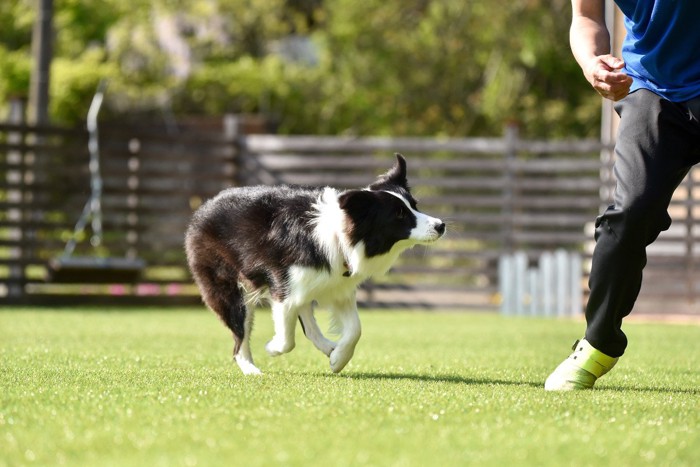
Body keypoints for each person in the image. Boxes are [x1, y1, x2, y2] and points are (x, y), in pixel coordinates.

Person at [545, 0, 700, 390]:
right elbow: (587, 17)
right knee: (632, 211)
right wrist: (591, 61)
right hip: (651, 90)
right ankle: (597, 345)